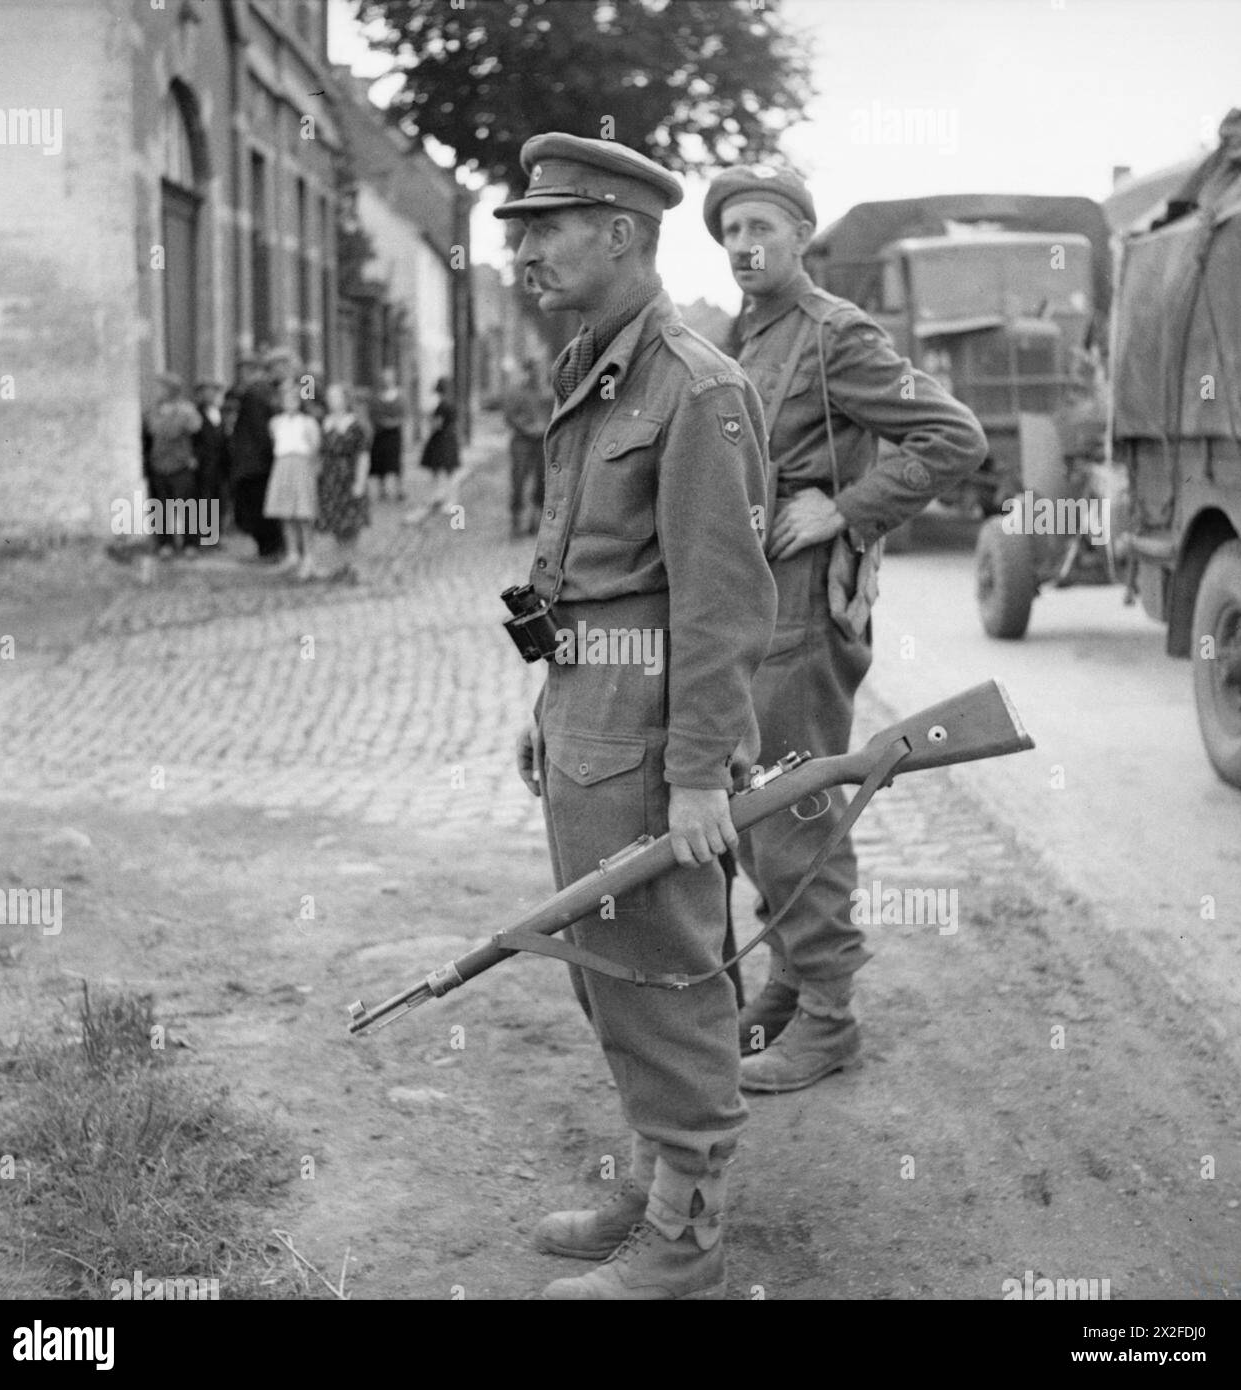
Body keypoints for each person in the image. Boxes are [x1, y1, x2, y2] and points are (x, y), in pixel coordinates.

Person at [499, 132, 777, 1300]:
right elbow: (586, 564)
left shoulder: (696, 386)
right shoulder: (594, 365)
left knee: (665, 974)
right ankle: (657, 1178)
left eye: (545, 229)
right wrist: (548, 696)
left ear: (620, 233)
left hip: (659, 730)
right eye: (518, 233)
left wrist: (704, 775)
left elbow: (723, 603)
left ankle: (687, 1242)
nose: (524, 252)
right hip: (589, 711)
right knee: (607, 968)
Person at [702, 165, 989, 1094]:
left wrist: (847, 508)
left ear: (800, 235)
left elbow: (952, 437)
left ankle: (830, 1020)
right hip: (746, 598)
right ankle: (790, 981)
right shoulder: (745, 336)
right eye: (729, 231)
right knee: (752, 807)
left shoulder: (835, 333)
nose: (744, 245)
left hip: (801, 600)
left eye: (760, 227)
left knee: (795, 807)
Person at [265, 378, 322, 579]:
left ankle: (308, 555)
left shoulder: (308, 423)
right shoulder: (276, 423)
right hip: (283, 465)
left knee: (303, 513)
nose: (290, 403)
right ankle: (292, 553)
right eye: (286, 399)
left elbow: (315, 448)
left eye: (294, 399)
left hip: (301, 466)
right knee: (286, 512)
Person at [228, 358, 283, 561]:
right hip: (262, 458)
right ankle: (271, 548)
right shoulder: (260, 391)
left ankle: (278, 548)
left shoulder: (304, 381)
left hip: (280, 454)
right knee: (257, 505)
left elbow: (311, 408)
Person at [143, 372, 202, 558]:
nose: (157, 391)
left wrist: (195, 458)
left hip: (181, 464)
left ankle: (190, 544)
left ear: (171, 390)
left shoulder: (186, 410)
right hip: (158, 463)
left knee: (186, 505)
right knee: (160, 506)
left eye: (161, 387)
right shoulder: (151, 411)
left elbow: (197, 431)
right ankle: (165, 544)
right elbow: (148, 434)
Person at [317, 382, 371, 583]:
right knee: (336, 524)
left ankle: (353, 565)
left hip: (348, 475)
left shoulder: (355, 425)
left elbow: (363, 454)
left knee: (351, 524)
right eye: (329, 397)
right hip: (331, 479)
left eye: (335, 396)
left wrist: (360, 481)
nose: (331, 401)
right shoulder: (326, 422)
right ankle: (342, 564)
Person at [502, 358, 553, 537]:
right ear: (527, 372)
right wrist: (526, 427)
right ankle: (516, 521)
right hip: (521, 442)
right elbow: (508, 416)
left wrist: (545, 427)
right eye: (532, 370)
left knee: (542, 480)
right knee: (518, 480)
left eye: (538, 370)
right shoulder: (516, 392)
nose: (535, 374)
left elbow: (556, 415)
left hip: (542, 442)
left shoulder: (548, 393)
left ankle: (535, 519)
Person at [192, 379, 230, 536]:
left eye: (214, 392)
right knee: (204, 499)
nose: (211, 395)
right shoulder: (196, 413)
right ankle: (203, 534)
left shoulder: (220, 412)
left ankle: (215, 534)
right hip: (204, 463)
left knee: (219, 499)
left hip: (220, 463)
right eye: (207, 392)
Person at [418, 376, 460, 508]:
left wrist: (428, 420)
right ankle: (443, 497)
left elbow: (437, 424)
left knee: (443, 471)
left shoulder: (442, 406)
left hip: (441, 441)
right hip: (449, 439)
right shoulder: (452, 404)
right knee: (447, 472)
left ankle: (448, 499)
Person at [369, 367, 406, 502]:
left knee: (395, 461)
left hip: (394, 433)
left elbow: (402, 413)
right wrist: (382, 422)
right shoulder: (377, 396)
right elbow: (373, 414)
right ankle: (382, 489)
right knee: (379, 461)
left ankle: (399, 489)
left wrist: (393, 422)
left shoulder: (399, 395)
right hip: (380, 433)